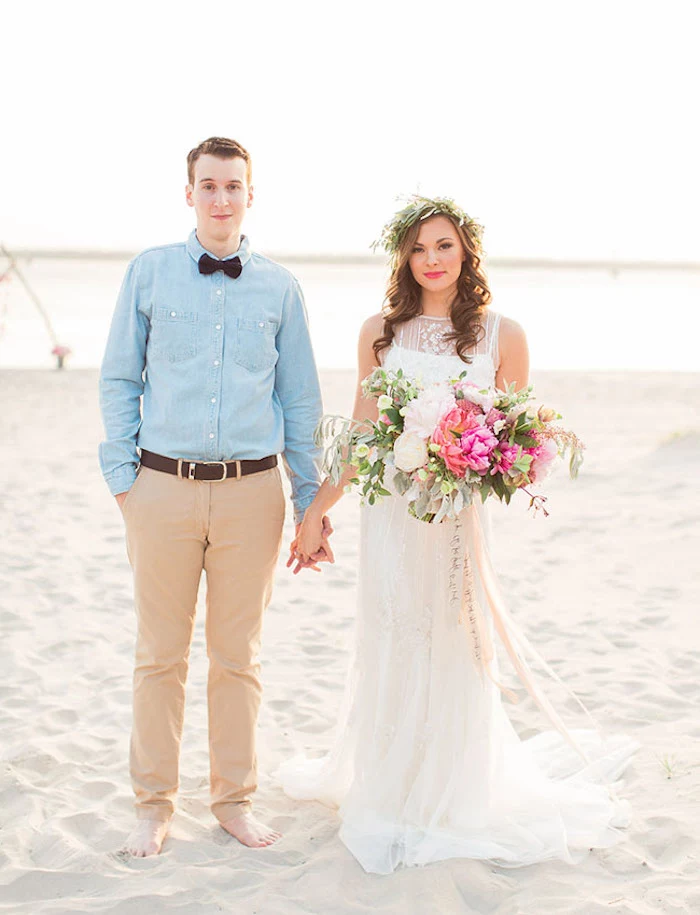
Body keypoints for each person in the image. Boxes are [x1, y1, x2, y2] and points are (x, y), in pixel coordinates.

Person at [280, 196, 637, 874]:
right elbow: (360, 434)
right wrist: (315, 509)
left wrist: (471, 458)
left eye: (444, 245)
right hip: (391, 518)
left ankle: (453, 792)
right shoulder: (379, 331)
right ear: (403, 257)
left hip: (453, 520)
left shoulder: (504, 333)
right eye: (419, 248)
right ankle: (390, 787)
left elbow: (513, 436)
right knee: (392, 637)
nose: (433, 259)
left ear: (466, 251)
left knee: (453, 643)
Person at [99, 136, 332, 857]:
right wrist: (124, 482)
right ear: (190, 193)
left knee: (239, 657)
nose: (222, 198)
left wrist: (309, 507)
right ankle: (153, 804)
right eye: (209, 186)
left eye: (234, 186)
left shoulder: (281, 288)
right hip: (160, 488)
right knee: (159, 655)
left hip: (251, 494)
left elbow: (300, 401)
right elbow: (117, 380)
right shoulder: (149, 274)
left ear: (251, 195)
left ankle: (233, 799)